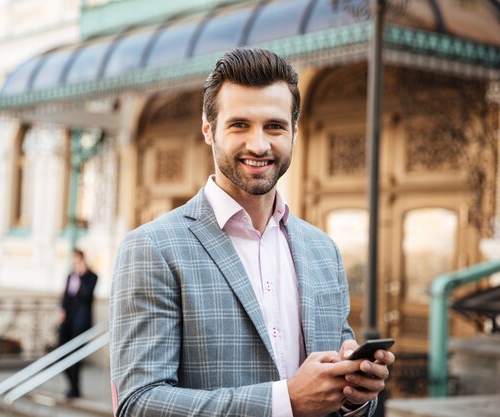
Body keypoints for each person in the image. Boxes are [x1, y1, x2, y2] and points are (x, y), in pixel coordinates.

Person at [110, 48, 394, 417]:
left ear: (295, 131)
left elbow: (331, 395)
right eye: (239, 124)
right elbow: (138, 404)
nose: (259, 145)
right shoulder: (151, 248)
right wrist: (284, 402)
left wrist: (355, 395)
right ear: (209, 131)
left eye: (274, 126)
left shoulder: (323, 250)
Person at [59, 249, 98, 398]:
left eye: (77, 261)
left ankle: (75, 388)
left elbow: (86, 295)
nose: (75, 264)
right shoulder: (71, 276)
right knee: (62, 355)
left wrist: (82, 277)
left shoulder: (91, 277)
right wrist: (62, 309)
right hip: (67, 322)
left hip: (81, 323)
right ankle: (73, 386)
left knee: (76, 358)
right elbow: (66, 296)